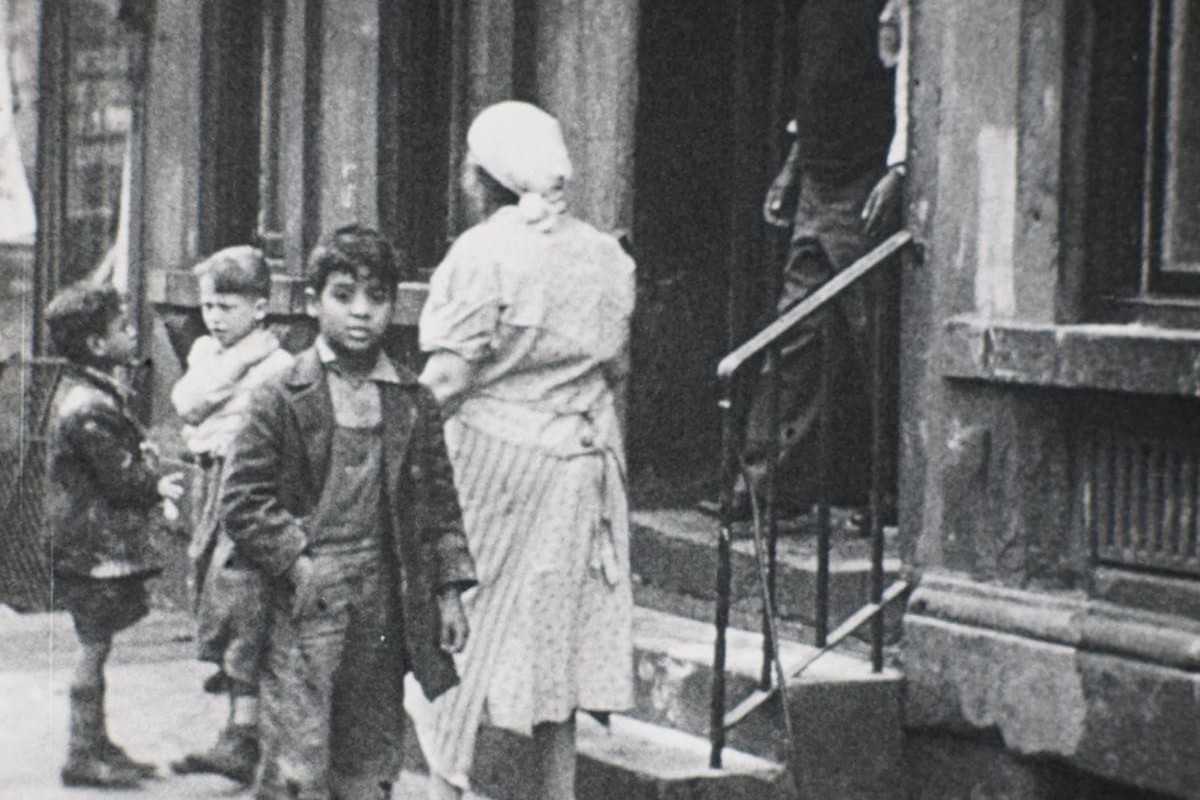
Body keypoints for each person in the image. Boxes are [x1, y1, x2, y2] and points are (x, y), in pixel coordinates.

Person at [411, 100, 636, 800]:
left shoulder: (483, 251)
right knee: (553, 633)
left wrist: (394, 442)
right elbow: (616, 368)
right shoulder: (604, 253)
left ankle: (449, 781)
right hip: (583, 460)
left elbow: (446, 378)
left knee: (456, 625)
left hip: (494, 465)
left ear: (482, 177)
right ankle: (554, 790)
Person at [219, 225, 476, 800]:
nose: (361, 312)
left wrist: (448, 590)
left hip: (383, 596)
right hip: (304, 597)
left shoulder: (411, 400)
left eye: (376, 297)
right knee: (299, 756)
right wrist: (297, 562)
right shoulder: (280, 393)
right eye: (343, 295)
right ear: (313, 302)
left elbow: (437, 503)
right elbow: (242, 500)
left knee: (370, 751)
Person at [736, 0, 907, 519]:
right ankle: (765, 482)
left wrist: (897, 171)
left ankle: (895, 494)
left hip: (865, 179)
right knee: (794, 333)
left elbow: (914, 77)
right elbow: (815, 81)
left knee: (874, 338)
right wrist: (795, 166)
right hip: (820, 178)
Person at [43, 282, 184, 788]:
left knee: (96, 644)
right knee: (93, 646)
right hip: (93, 548)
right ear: (98, 346)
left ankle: (95, 742)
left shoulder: (90, 393)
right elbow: (120, 478)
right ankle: (83, 750)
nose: (132, 334)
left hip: (90, 544)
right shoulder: (89, 406)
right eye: (123, 328)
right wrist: (154, 479)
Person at [169, 246, 294, 784]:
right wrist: (237, 363)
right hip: (211, 483)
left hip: (251, 490)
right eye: (208, 306)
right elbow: (188, 403)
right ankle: (240, 727)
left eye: (227, 306)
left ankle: (246, 735)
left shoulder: (281, 364)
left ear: (260, 307)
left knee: (245, 601)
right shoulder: (211, 353)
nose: (214, 318)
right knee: (217, 593)